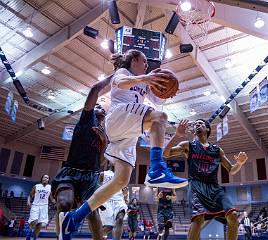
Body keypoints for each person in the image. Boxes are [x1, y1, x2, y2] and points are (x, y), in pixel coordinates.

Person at [59, 49, 187, 239]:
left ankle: (74, 219)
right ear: (134, 60)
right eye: (143, 61)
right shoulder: (123, 73)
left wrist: (168, 89)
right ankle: (157, 168)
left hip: (127, 131)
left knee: (121, 181)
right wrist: (145, 78)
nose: (146, 65)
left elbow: (158, 99)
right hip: (119, 116)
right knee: (160, 118)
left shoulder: (144, 83)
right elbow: (119, 83)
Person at [163, 119, 248, 240]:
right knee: (198, 219)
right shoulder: (188, 145)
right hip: (197, 186)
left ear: (207, 129)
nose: (197, 124)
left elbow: (231, 169)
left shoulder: (217, 150)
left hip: (214, 188)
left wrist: (239, 163)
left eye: (200, 123)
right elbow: (166, 154)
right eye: (195, 123)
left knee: (233, 216)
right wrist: (177, 135)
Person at [52, 75, 111, 240]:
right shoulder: (86, 119)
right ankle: (61, 236)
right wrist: (115, 76)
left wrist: (104, 142)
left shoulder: (105, 133)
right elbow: (94, 89)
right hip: (71, 171)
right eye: (97, 105)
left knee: (92, 211)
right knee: (64, 204)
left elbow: (101, 162)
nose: (100, 107)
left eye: (102, 107)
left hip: (91, 175)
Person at [99, 165, 129, 240]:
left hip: (119, 200)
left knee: (120, 218)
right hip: (106, 201)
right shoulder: (103, 174)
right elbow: (96, 187)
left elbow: (125, 193)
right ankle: (99, 236)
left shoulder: (122, 176)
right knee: (108, 227)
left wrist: (125, 196)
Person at [26, 174, 55, 240]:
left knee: (41, 224)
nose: (45, 178)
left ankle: (35, 238)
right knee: (34, 221)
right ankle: (29, 233)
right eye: (44, 177)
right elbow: (30, 195)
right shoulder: (36, 186)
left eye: (47, 178)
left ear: (48, 180)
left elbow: (51, 198)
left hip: (44, 207)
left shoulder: (50, 187)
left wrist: (55, 202)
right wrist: (28, 202)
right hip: (35, 206)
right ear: (42, 179)